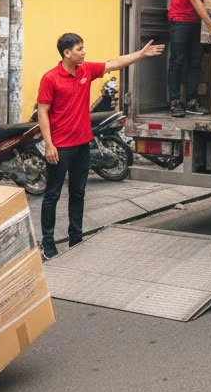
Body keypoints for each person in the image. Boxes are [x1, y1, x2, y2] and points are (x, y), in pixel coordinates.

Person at [37, 33, 165, 259]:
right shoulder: (50, 78)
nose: (83, 52)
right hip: (60, 147)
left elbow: (114, 63)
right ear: (67, 53)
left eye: (83, 48)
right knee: (52, 195)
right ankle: (48, 244)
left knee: (78, 193)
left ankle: (76, 238)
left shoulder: (86, 70)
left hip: (81, 145)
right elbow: (42, 111)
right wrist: (49, 144)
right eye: (79, 49)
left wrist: (141, 54)